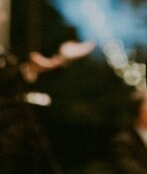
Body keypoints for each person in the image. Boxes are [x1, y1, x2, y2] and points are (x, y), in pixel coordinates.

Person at [0, 40, 95, 173]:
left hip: (19, 144)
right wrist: (26, 69)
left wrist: (61, 59)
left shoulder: (7, 55)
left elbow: (21, 80)